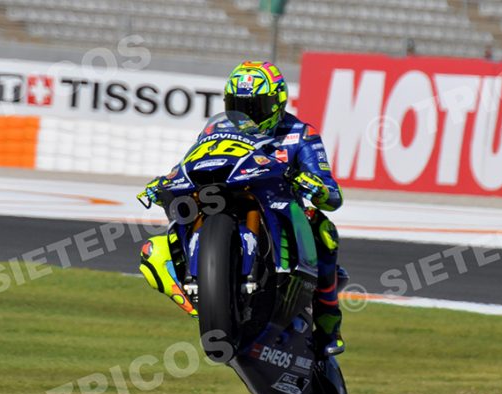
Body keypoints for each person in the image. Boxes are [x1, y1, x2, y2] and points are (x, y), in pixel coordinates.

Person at [139, 60, 346, 356]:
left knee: (325, 231)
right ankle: (205, 298)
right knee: (156, 249)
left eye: (255, 107)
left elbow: (332, 194)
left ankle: (328, 324)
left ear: (277, 104)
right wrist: (167, 180)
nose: (246, 115)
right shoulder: (216, 128)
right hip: (224, 195)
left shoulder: (301, 134)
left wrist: (314, 185)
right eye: (237, 106)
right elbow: (189, 161)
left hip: (280, 207)